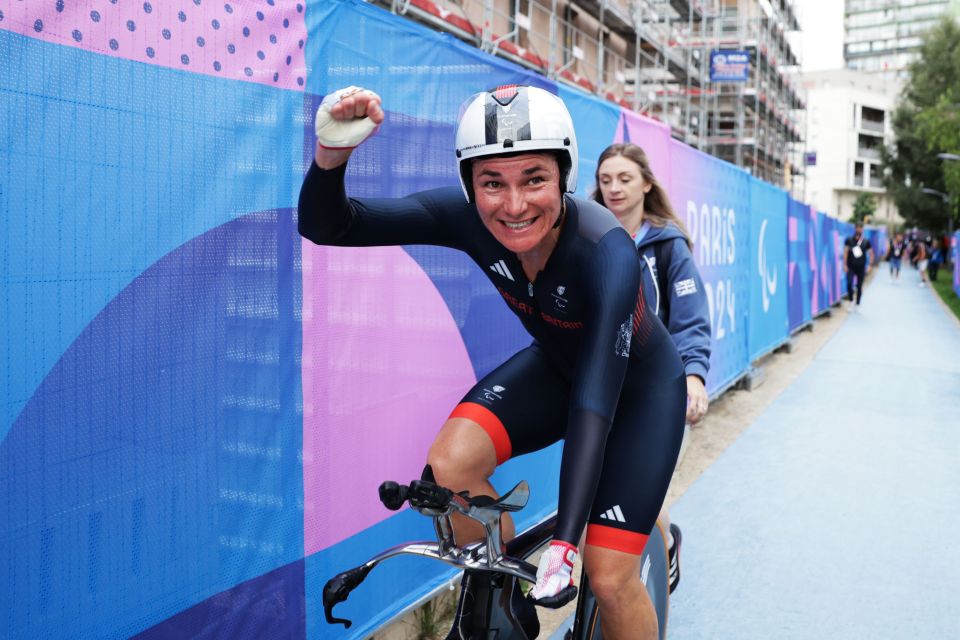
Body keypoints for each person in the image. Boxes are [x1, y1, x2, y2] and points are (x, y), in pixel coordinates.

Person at [301, 85, 687, 639]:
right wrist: (331, 159)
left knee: (607, 576)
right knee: (450, 465)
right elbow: (328, 226)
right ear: (470, 186)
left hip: (638, 393)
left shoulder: (606, 251)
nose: (513, 205)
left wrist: (565, 545)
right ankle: (507, 611)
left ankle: (631, 552)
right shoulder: (464, 219)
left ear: (565, 176)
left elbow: (596, 400)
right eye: (492, 184)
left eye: (534, 179)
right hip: (559, 369)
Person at [593, 142, 712, 595]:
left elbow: (691, 318)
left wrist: (695, 377)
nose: (615, 188)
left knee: (643, 500)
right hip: (607, 393)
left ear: (646, 183)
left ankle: (656, 575)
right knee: (603, 507)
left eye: (625, 178)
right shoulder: (590, 236)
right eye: (606, 180)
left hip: (660, 393)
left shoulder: (668, 246)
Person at [843, 222, 874, 311]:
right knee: (849, 283)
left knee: (859, 286)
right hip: (851, 266)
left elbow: (871, 253)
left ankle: (857, 303)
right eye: (857, 228)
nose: (859, 229)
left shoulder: (866, 241)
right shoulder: (849, 240)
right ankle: (851, 300)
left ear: (862, 229)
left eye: (860, 228)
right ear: (855, 228)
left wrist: (870, 265)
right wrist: (845, 264)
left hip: (861, 267)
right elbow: (845, 252)